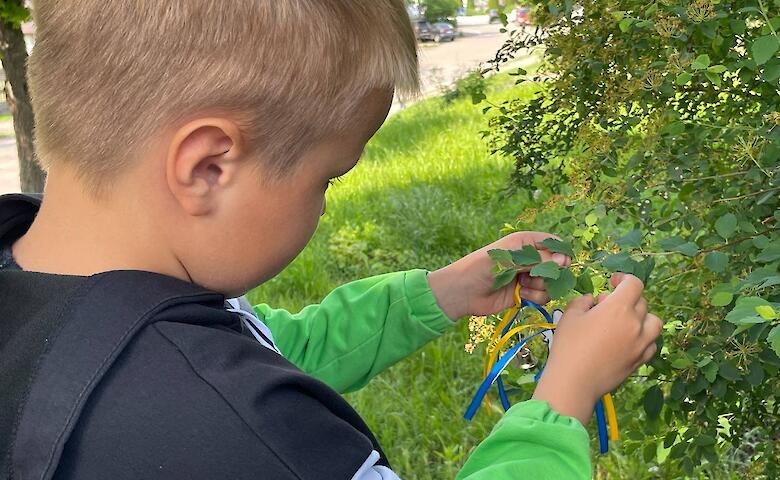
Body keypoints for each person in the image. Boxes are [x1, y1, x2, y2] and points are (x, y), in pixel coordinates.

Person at [0, 1, 662, 479]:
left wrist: (445, 291)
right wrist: (563, 402)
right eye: (327, 178)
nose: (323, 201)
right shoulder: (255, 441)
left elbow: (277, 349)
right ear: (209, 168)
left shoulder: (45, 281)